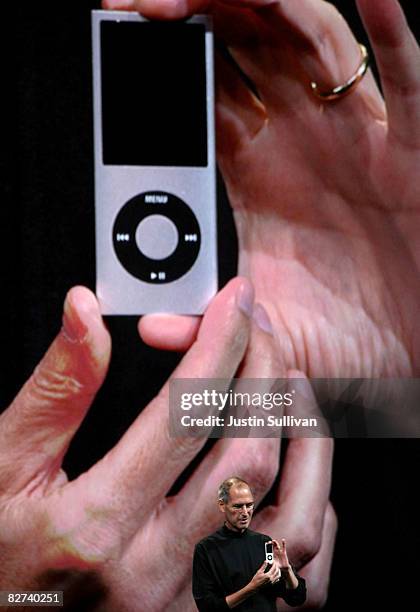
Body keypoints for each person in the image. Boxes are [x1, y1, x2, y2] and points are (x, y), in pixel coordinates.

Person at [192, 477, 306, 610]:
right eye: (238, 506)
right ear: (222, 505)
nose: (245, 513)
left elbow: (298, 597)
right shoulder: (206, 549)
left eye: (249, 505)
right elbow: (207, 607)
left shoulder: (264, 543)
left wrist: (287, 571)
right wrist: (252, 588)